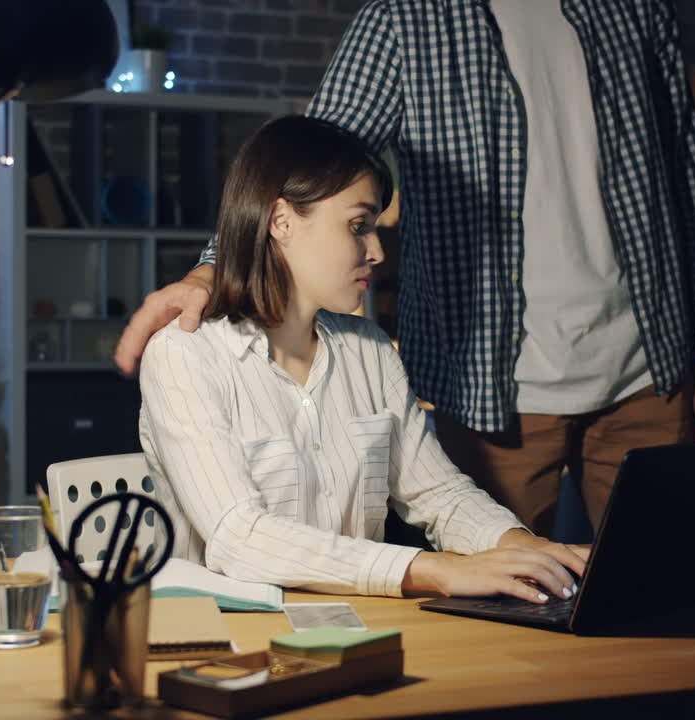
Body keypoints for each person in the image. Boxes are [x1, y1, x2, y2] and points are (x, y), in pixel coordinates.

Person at [119, 0, 695, 540]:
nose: (373, 250)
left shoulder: (639, 11)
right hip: (493, 381)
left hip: (652, 366)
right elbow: (305, 169)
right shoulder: (405, 19)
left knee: (672, 603)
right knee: (506, 623)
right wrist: (214, 269)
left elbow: (687, 183)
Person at [138, 115, 587, 602]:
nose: (376, 251)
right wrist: (430, 570)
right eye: (358, 226)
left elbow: (437, 493)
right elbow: (239, 538)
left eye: (374, 228)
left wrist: (532, 551)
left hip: (360, 626)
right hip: (227, 638)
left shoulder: (371, 351)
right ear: (281, 221)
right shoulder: (184, 354)